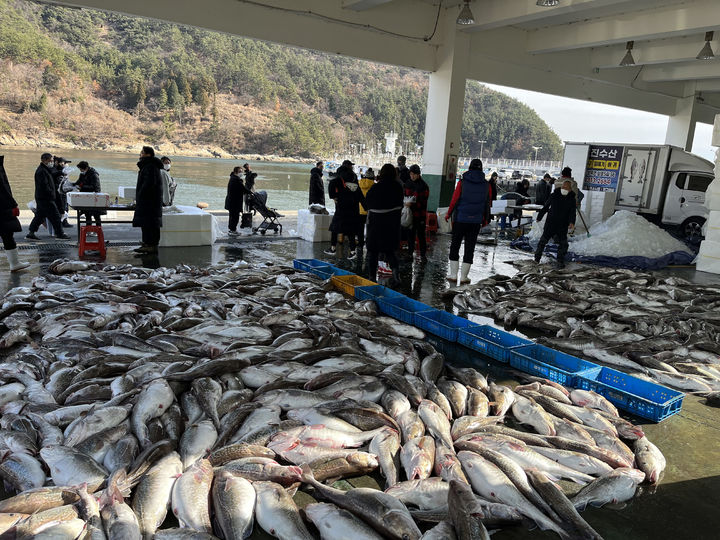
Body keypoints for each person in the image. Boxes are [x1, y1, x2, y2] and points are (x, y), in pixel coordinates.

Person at [444, 158, 490, 284]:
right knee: (470, 248)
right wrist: (485, 219)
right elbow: (487, 203)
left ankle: (453, 275)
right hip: (475, 221)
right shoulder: (486, 185)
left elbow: (454, 200)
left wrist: (448, 214)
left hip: (460, 219)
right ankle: (464, 277)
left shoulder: (462, 183)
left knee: (455, 245)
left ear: (469, 168)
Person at [365, 163, 403, 283]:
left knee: (373, 252)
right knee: (390, 251)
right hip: (391, 225)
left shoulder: (375, 187)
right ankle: (396, 275)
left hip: (375, 225)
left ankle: (372, 277)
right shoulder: (398, 187)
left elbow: (367, 204)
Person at [26, 152, 70, 240]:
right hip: (46, 198)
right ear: (44, 160)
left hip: (43, 197)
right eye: (50, 160)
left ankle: (31, 233)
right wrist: (52, 194)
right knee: (56, 216)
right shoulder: (41, 171)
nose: (52, 162)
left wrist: (62, 172)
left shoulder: (45, 169)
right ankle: (60, 234)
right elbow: (45, 186)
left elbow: (53, 173)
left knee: (39, 216)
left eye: (52, 160)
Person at [535, 179, 577, 268]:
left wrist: (572, 222)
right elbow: (546, 206)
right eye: (563, 187)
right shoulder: (554, 195)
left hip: (562, 225)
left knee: (563, 244)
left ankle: (560, 261)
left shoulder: (572, 199)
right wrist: (539, 217)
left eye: (566, 187)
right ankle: (536, 259)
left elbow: (572, 212)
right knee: (542, 242)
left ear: (570, 189)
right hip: (550, 223)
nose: (564, 188)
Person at [325, 166, 365, 259]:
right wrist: (368, 209)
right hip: (353, 211)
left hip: (341, 211)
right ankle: (352, 251)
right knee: (351, 231)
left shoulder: (338, 181)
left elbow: (332, 189)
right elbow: (362, 199)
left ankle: (333, 248)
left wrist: (334, 197)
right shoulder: (355, 182)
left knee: (334, 229)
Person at [132, 146, 164, 255]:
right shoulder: (148, 166)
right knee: (147, 224)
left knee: (150, 224)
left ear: (148, 154)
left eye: (142, 152)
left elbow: (148, 184)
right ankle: (147, 244)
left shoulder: (150, 167)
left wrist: (141, 196)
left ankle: (151, 245)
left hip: (149, 202)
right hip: (149, 202)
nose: (140, 154)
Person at [0, 156, 30, 271]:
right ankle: (14, 263)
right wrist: (13, 204)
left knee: (7, 235)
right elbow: (3, 189)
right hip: (3, 208)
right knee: (7, 234)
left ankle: (15, 263)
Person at [405, 164, 429, 259]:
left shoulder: (423, 186)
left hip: (420, 215)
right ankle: (410, 253)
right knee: (410, 235)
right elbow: (404, 196)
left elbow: (423, 202)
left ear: (418, 174)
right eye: (411, 174)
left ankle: (423, 255)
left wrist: (412, 204)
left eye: (414, 174)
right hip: (409, 215)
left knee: (421, 235)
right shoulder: (407, 183)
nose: (412, 176)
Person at [74, 161, 105, 226]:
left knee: (96, 215)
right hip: (86, 196)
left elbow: (95, 187)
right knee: (87, 214)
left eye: (81, 169)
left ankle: (98, 229)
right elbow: (78, 182)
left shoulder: (94, 174)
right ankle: (88, 228)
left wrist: (82, 186)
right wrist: (72, 184)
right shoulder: (82, 174)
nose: (81, 170)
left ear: (86, 168)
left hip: (94, 197)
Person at [225, 166, 249, 235]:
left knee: (232, 216)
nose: (241, 173)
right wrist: (251, 193)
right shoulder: (236, 180)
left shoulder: (232, 178)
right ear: (236, 172)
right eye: (240, 172)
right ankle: (233, 230)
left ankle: (232, 229)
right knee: (235, 217)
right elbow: (243, 189)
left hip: (231, 202)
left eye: (242, 172)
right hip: (234, 202)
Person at [357, 168, 375, 252]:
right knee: (369, 228)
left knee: (360, 228)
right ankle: (368, 243)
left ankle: (360, 243)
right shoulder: (374, 185)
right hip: (369, 210)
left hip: (360, 209)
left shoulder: (359, 183)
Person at [52, 156, 73, 228]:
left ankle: (63, 221)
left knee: (65, 207)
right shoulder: (56, 171)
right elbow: (59, 182)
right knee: (62, 207)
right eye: (64, 163)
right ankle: (62, 222)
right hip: (60, 193)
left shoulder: (62, 171)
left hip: (63, 192)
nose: (66, 165)